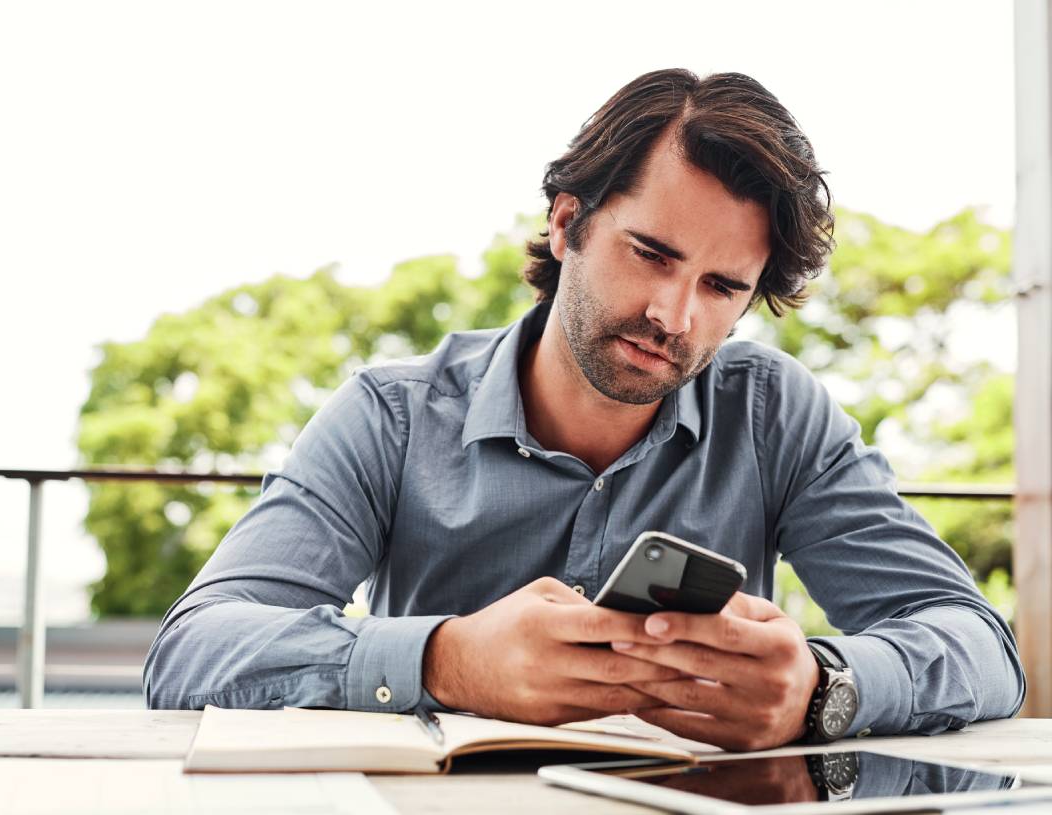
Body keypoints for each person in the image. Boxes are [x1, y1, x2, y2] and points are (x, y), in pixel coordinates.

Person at [144, 69, 1025, 751]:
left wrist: (823, 685)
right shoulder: (392, 416)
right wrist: (447, 658)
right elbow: (194, 650)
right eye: (651, 253)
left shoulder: (773, 416)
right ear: (567, 223)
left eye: (722, 286)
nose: (674, 317)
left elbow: (981, 645)